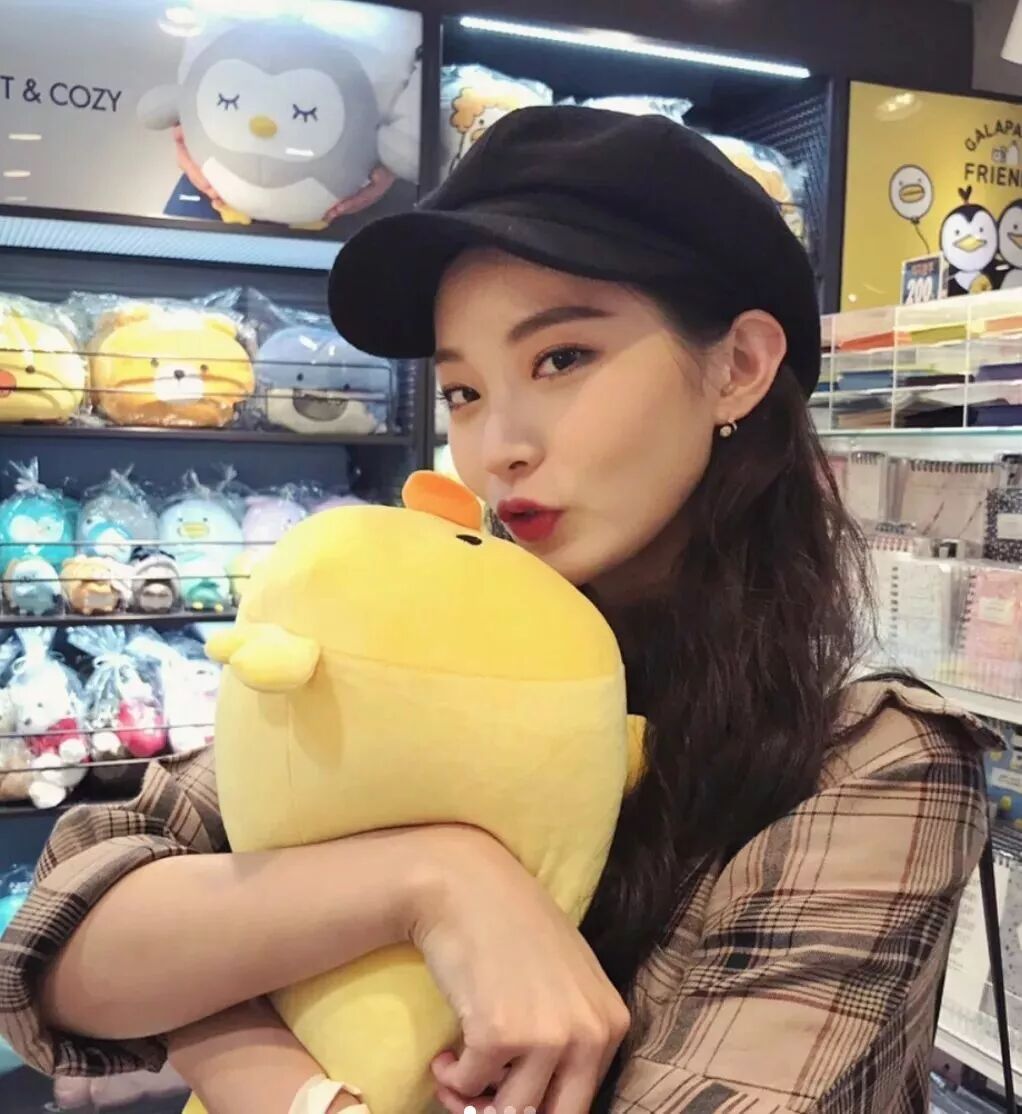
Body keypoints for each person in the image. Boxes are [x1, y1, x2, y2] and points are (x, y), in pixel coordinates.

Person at [0, 107, 993, 1114]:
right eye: (463, 391)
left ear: (736, 366)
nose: (497, 448)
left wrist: (222, 1014)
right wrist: (434, 879)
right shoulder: (431, 640)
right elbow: (59, 952)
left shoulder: (869, 758)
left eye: (560, 359)